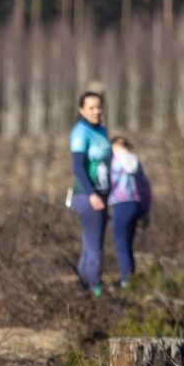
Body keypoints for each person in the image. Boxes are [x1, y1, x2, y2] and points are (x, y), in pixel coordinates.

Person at [68, 91, 112, 296]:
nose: (96, 111)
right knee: (95, 247)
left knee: (89, 245)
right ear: (81, 110)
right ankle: (95, 290)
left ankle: (83, 286)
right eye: (91, 108)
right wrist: (92, 194)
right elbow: (78, 168)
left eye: (99, 107)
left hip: (101, 193)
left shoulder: (101, 131)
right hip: (87, 194)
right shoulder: (80, 132)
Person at [108, 136, 152, 288]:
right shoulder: (135, 161)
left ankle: (126, 281)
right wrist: (145, 210)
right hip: (136, 204)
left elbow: (106, 183)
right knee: (128, 244)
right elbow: (145, 186)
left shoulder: (112, 162)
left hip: (120, 204)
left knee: (121, 244)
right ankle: (131, 278)